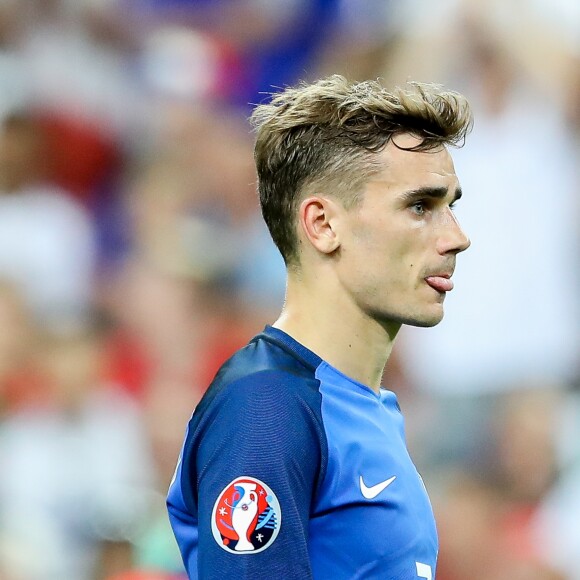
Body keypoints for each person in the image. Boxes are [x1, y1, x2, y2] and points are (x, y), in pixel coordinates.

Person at [167, 74, 472, 579]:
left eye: (451, 206)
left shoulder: (365, 406)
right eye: (421, 206)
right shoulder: (267, 410)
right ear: (323, 225)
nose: (458, 238)